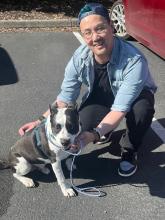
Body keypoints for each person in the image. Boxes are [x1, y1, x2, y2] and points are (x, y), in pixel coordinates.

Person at [19, 3, 157, 177]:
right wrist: (39, 121)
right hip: (102, 96)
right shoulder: (79, 58)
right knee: (80, 125)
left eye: (100, 28)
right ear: (83, 36)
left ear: (112, 26)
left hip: (136, 97)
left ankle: (129, 150)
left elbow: (121, 108)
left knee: (141, 111)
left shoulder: (134, 60)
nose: (95, 37)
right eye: (87, 32)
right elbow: (65, 98)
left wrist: (93, 134)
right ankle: (105, 132)